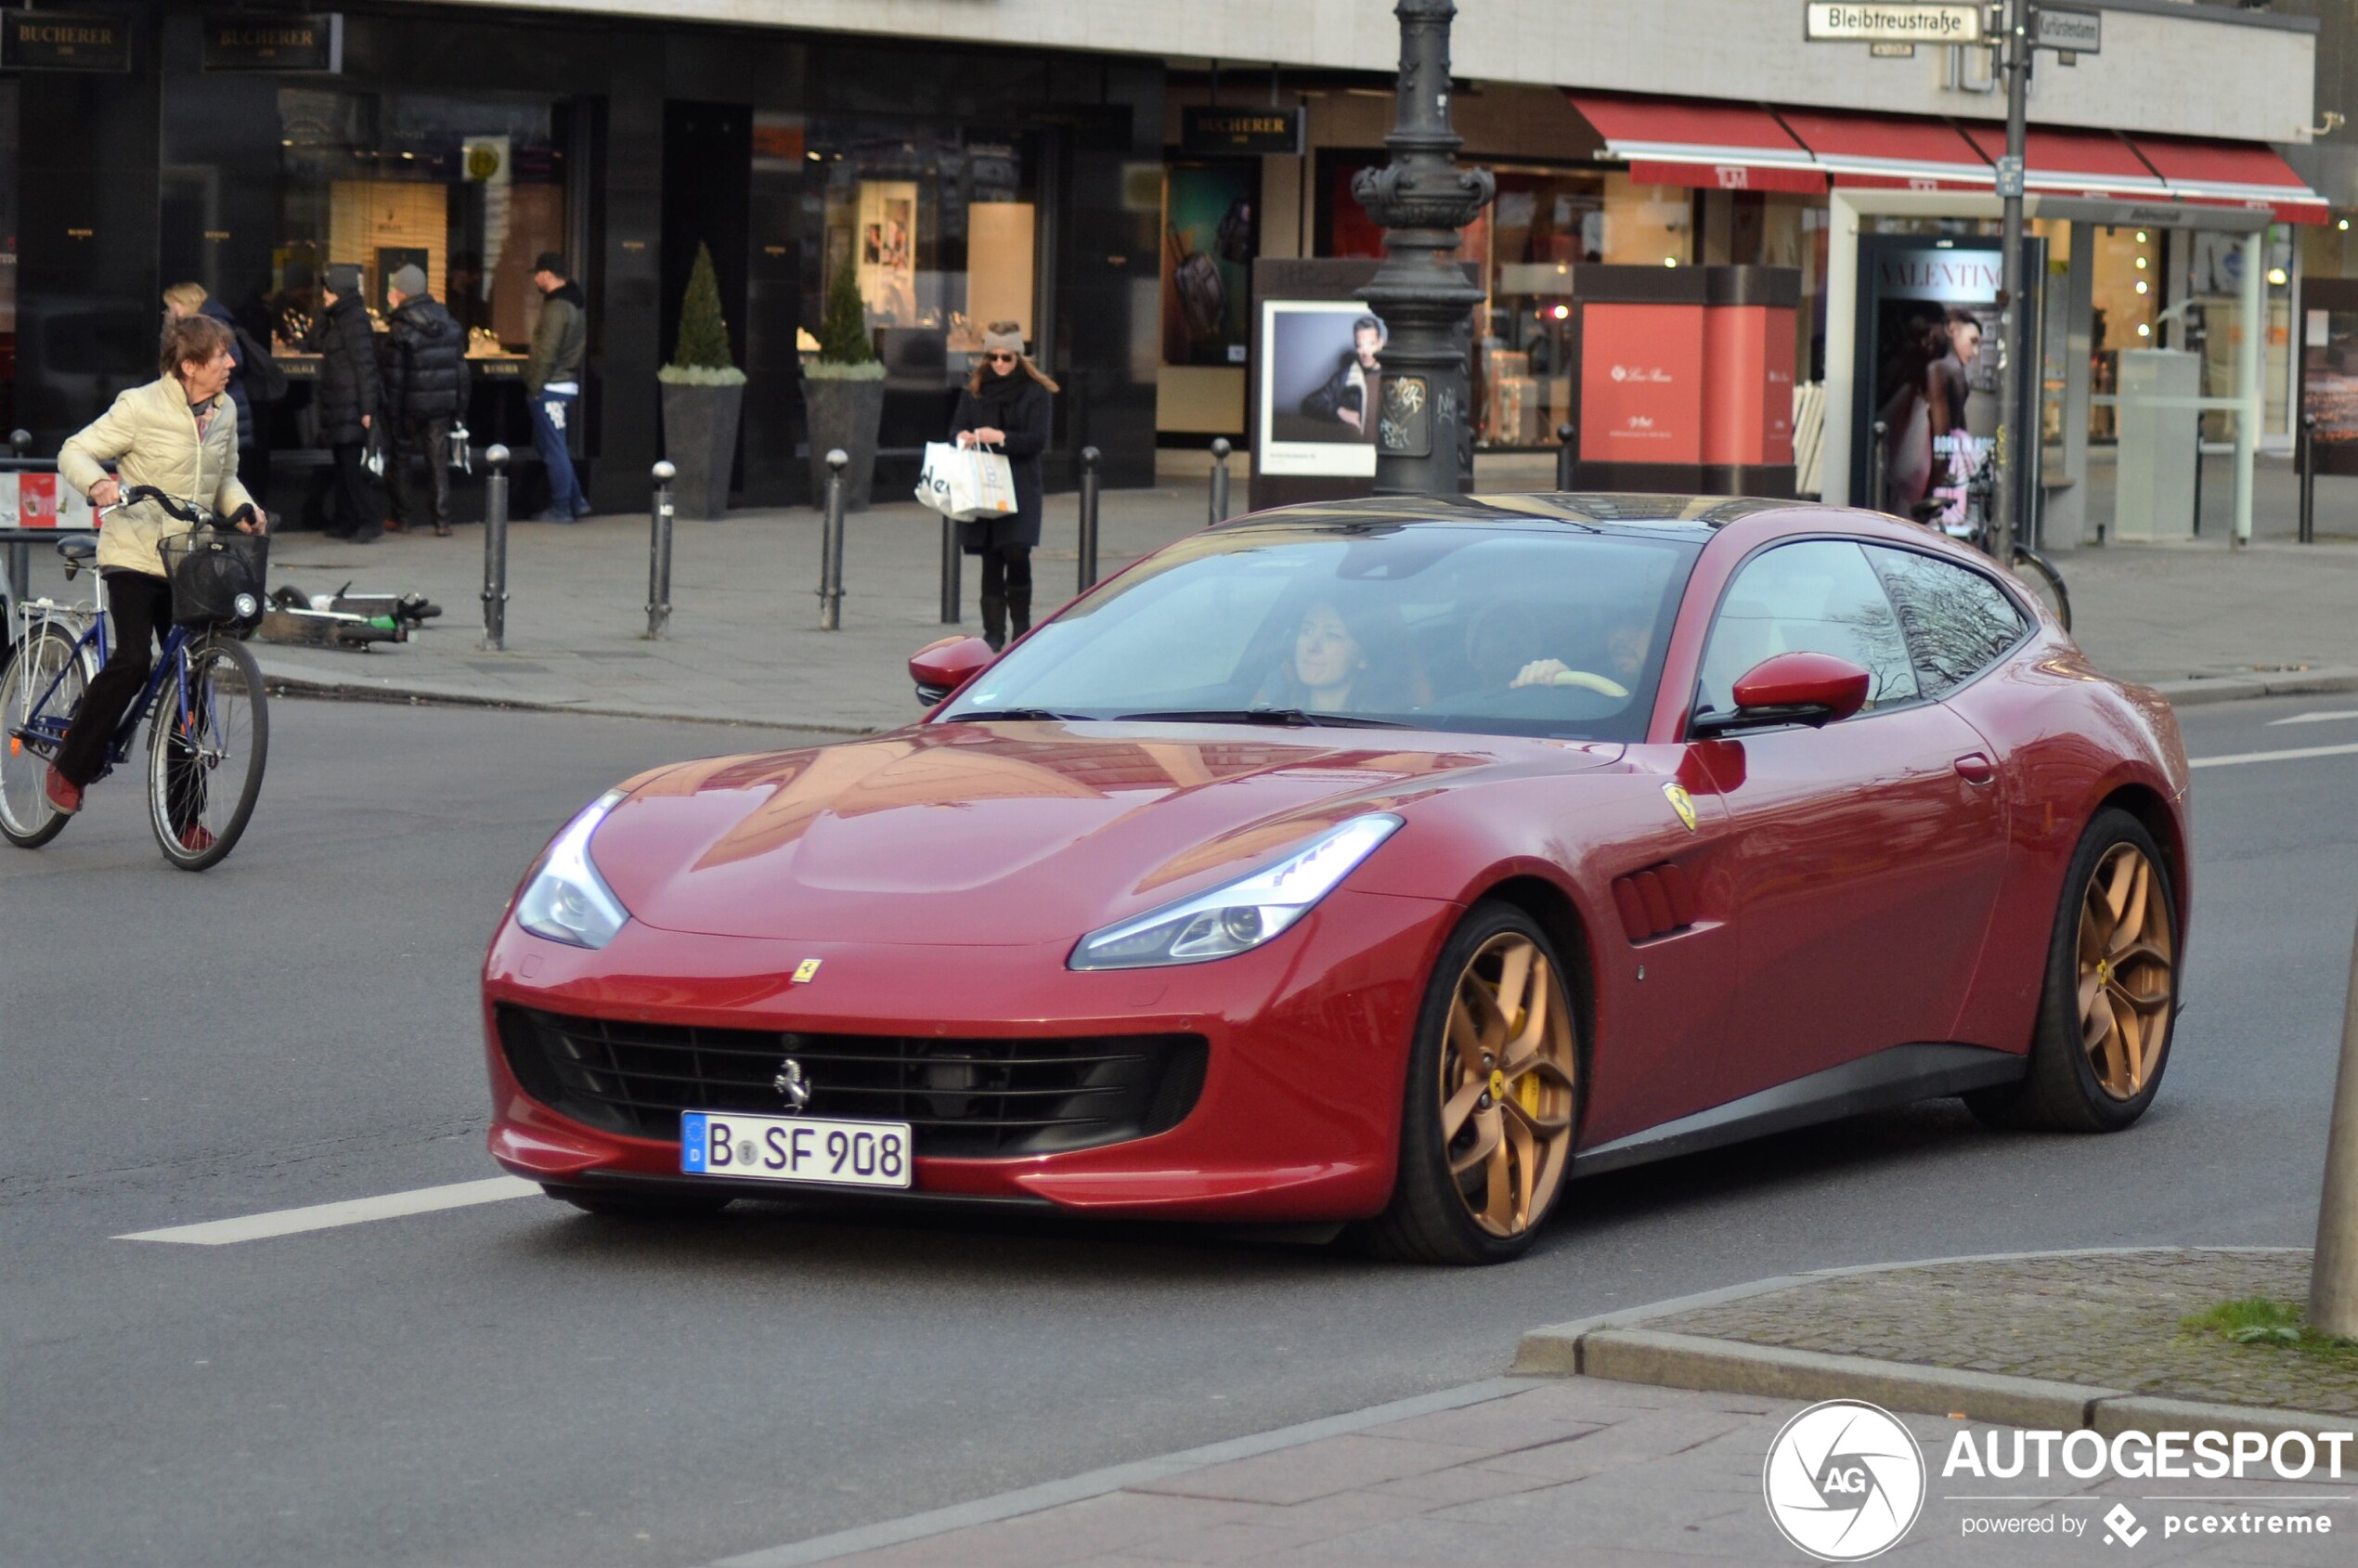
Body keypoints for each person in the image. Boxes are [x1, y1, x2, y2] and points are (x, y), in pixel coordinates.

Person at [44, 314, 262, 831]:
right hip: (136, 553)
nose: (231, 364)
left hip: (190, 560)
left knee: (193, 679)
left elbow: (224, 478)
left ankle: (184, 817)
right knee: (134, 660)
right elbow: (74, 450)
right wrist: (98, 484)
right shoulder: (139, 406)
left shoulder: (224, 410)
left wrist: (245, 507)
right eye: (220, 357)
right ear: (189, 366)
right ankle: (69, 769)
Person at [950, 322, 1056, 649]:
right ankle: (993, 634)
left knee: (1017, 551)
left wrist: (1003, 438)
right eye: (993, 357)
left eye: (1006, 358)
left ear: (1019, 358)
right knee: (991, 557)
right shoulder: (976, 389)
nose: (999, 364)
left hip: (1020, 483)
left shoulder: (1035, 393)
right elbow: (955, 427)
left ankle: (1022, 627)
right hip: (984, 483)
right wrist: (964, 438)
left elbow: (1038, 440)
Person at [379, 264, 470, 538]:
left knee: (401, 459)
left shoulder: (400, 328)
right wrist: (459, 408)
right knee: (437, 461)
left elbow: (395, 377)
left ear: (402, 293)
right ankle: (442, 521)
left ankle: (402, 518)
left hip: (408, 405)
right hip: (441, 405)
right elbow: (460, 371)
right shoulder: (449, 324)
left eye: (395, 290)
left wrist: (391, 413)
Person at [304, 262, 382, 540]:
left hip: (351, 406)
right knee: (343, 467)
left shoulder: (354, 319)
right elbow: (314, 343)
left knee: (352, 469)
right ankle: (347, 520)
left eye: (328, 289)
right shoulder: (339, 316)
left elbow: (365, 365)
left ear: (338, 290)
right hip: (340, 404)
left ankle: (368, 521)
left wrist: (367, 409)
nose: (324, 294)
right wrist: (323, 313)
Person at [162, 283, 256, 498]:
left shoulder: (212, 325)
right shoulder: (210, 322)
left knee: (225, 473)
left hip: (221, 405)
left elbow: (235, 361)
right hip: (221, 406)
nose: (171, 312)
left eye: (173, 306)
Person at [526, 251, 590, 522]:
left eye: (537, 274)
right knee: (558, 448)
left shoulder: (556, 308)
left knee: (554, 451)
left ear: (547, 275)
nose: (535, 280)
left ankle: (562, 507)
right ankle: (577, 501)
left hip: (551, 386)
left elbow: (547, 351)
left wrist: (535, 387)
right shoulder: (573, 304)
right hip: (564, 385)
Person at [1301, 316, 1385, 434]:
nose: (1365, 352)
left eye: (1371, 344)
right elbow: (1309, 404)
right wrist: (1339, 411)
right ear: (1355, 345)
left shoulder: (1393, 375)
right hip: (1358, 445)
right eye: (1360, 345)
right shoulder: (1346, 377)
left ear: (1380, 343)